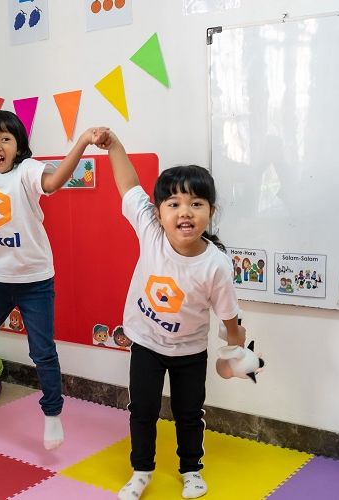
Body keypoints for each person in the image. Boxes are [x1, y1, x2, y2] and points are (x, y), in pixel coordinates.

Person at [0, 81, 107, 450]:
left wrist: (81, 142)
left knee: (42, 350)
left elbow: (56, 181)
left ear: (19, 146)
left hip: (34, 280)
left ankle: (52, 414)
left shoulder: (26, 171)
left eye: (5, 140)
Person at [98, 131, 246, 499]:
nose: (185, 212)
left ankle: (192, 469)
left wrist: (236, 347)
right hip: (146, 342)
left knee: (189, 414)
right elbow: (128, 183)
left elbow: (229, 317)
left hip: (190, 352)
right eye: (174, 204)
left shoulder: (216, 264)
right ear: (158, 211)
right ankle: (141, 470)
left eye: (196, 204)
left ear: (210, 212)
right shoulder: (149, 231)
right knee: (143, 410)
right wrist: (115, 144)